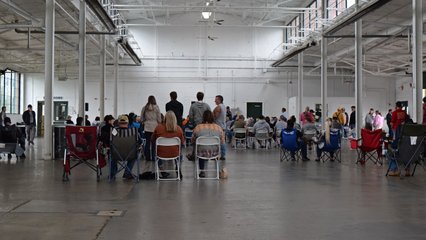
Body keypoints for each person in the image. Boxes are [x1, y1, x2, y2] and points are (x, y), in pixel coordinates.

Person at [191, 110, 225, 178]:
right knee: (205, 148)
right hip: (215, 153)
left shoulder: (198, 127)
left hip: (201, 153)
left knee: (200, 148)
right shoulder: (218, 128)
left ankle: (202, 171)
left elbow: (193, 141)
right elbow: (222, 142)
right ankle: (217, 170)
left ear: (203, 117)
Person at [152, 111, 185, 179]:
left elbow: (152, 140)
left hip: (160, 154)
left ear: (165, 118)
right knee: (180, 152)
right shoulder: (178, 129)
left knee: (154, 148)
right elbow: (182, 142)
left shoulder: (158, 128)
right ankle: (178, 167)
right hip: (175, 154)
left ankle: (162, 171)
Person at [141, 95, 162, 162]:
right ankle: (153, 157)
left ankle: (147, 157)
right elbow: (159, 118)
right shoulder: (157, 107)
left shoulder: (145, 108)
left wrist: (145, 121)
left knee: (147, 143)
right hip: (155, 127)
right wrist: (159, 123)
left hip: (147, 127)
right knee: (154, 143)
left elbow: (141, 118)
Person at [213, 95, 227, 160]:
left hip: (218, 126)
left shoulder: (218, 107)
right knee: (222, 141)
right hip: (223, 126)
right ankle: (223, 155)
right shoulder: (224, 107)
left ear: (219, 100)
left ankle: (215, 155)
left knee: (216, 141)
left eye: (216, 99)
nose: (215, 101)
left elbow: (215, 117)